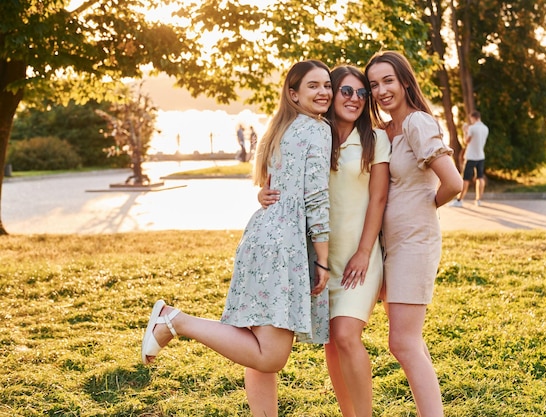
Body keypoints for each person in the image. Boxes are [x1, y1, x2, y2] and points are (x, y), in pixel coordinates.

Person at [141, 59, 334, 417]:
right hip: (283, 246)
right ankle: (175, 320)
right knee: (271, 355)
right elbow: (316, 198)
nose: (324, 92)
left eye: (327, 85)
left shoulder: (283, 127)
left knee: (256, 346)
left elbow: (273, 187)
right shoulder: (317, 129)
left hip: (261, 236)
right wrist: (322, 258)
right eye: (313, 86)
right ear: (293, 94)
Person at [260, 64, 390, 417]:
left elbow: (378, 199)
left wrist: (365, 253)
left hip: (358, 258)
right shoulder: (314, 132)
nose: (355, 99)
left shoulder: (376, 140)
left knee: (347, 336)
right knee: (332, 343)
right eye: (346, 91)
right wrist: (263, 194)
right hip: (317, 258)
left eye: (362, 94)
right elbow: (284, 182)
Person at [365, 50, 463, 417]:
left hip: (414, 245)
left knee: (402, 343)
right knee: (409, 342)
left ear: (405, 81)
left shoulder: (417, 123)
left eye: (388, 80)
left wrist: (422, 208)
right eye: (373, 84)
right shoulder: (386, 130)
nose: (381, 90)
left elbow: (453, 183)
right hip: (389, 246)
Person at [450, 110, 489, 207]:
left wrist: (465, 132)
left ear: (473, 117)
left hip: (471, 156)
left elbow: (466, 141)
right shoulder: (485, 128)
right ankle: (478, 200)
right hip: (481, 156)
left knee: (466, 179)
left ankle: (459, 200)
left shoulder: (472, 128)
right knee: (480, 178)